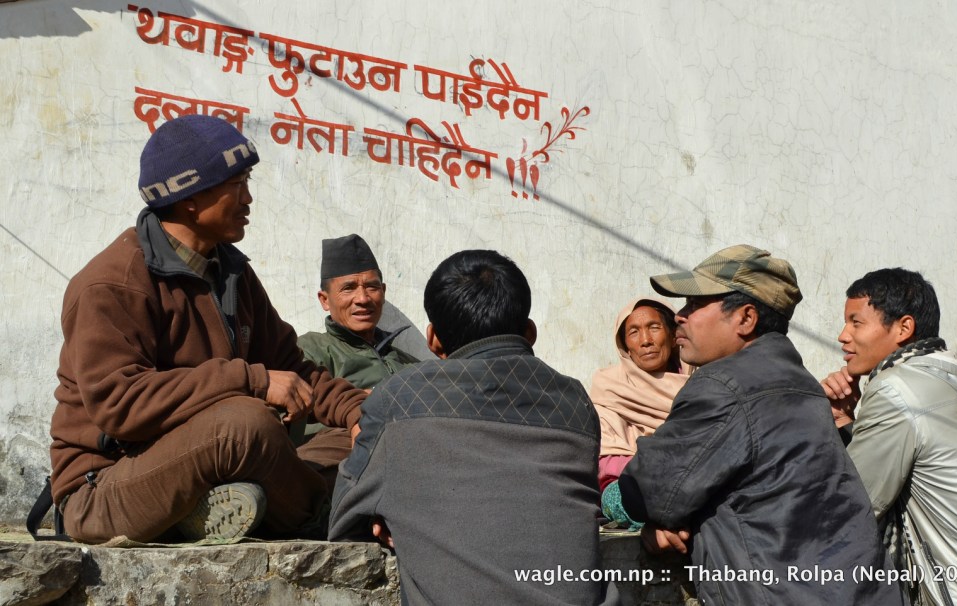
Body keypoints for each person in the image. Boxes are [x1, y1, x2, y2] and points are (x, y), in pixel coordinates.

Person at [49, 114, 367, 544]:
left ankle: (220, 507)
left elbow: (294, 370)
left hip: (211, 463)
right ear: (190, 197)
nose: (248, 198)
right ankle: (321, 513)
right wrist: (251, 380)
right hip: (105, 486)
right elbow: (118, 404)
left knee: (366, 436)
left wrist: (358, 414)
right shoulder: (113, 283)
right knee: (246, 425)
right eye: (236, 185)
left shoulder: (231, 271)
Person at [601, 244, 901, 605]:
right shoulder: (801, 382)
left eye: (696, 304)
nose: (680, 316)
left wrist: (628, 503)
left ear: (745, 318)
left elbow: (644, 491)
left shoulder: (724, 386)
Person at [328, 249, 619, 605]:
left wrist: (391, 511)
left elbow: (342, 521)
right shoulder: (575, 402)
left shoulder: (399, 397)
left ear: (433, 340)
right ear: (529, 332)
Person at [821, 268, 957, 605]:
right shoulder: (943, 381)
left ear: (904, 328)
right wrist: (846, 421)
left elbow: (853, 507)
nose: (842, 335)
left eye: (856, 322)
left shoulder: (897, 388)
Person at [590, 297, 690, 491]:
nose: (645, 341)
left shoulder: (701, 382)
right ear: (625, 345)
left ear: (672, 336)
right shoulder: (609, 389)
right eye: (634, 332)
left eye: (654, 328)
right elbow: (608, 462)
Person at [298, 234, 417, 389]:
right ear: (325, 300)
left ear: (383, 292)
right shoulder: (311, 351)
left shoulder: (412, 365)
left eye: (372, 287)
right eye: (348, 288)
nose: (363, 298)